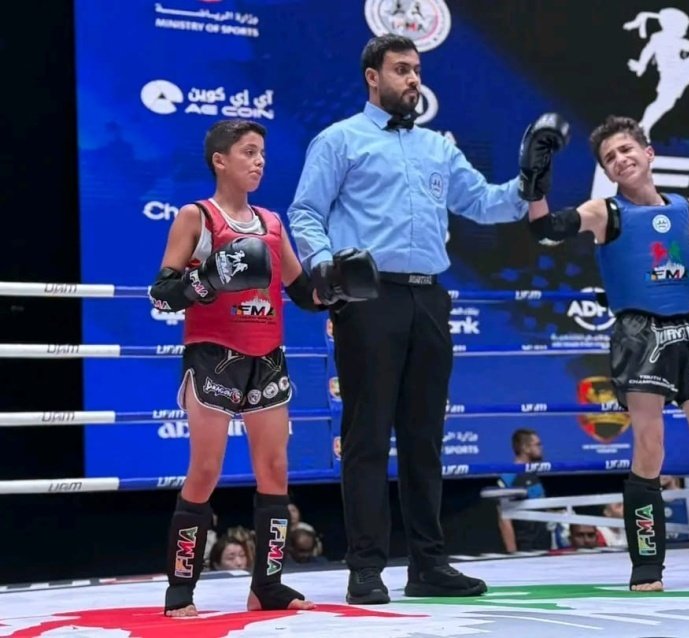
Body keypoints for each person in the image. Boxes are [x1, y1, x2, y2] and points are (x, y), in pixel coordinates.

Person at [287, 33, 566, 604]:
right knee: (366, 437)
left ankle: (428, 565)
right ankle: (366, 568)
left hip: (429, 298)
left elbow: (485, 203)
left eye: (416, 69)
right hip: (366, 297)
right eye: (401, 69)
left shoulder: (439, 147)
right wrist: (325, 265)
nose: (413, 78)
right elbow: (306, 212)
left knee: (425, 440)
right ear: (372, 77)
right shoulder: (340, 139)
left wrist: (529, 181)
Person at [522, 114, 689, 591]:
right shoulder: (605, 212)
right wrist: (535, 182)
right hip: (640, 334)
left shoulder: (684, 208)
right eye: (610, 157)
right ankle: (647, 565)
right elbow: (545, 229)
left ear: (648, 153)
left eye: (626, 149)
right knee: (650, 447)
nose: (620, 159)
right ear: (606, 170)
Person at [148, 119, 377, 617]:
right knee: (205, 470)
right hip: (213, 355)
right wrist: (209, 279)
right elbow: (162, 295)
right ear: (220, 160)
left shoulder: (272, 223)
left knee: (274, 470)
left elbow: (302, 293)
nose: (259, 162)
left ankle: (267, 586)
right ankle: (180, 590)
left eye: (262, 154)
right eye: (248, 152)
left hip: (267, 356)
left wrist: (336, 287)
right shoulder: (196, 217)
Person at [496, 429, 551, 552]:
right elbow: (504, 519)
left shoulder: (532, 473)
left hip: (543, 544)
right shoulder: (509, 477)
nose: (541, 448)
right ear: (525, 448)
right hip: (526, 547)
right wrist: (513, 553)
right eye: (537, 444)